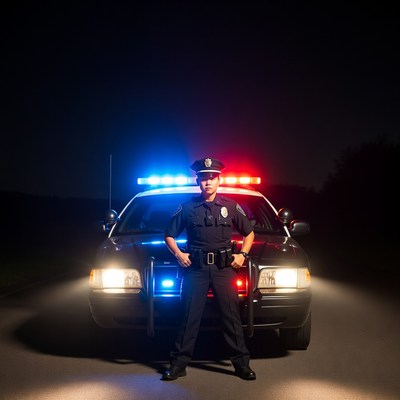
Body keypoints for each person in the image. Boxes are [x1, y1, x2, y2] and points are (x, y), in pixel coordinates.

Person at [162, 157, 256, 381]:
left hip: (224, 269)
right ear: (198, 181)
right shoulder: (187, 208)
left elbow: (249, 234)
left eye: (212, 178)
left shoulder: (231, 207)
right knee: (188, 318)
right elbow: (168, 235)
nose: (208, 182)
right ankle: (178, 364)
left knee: (231, 318)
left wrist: (242, 254)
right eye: (204, 178)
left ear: (218, 180)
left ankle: (242, 365)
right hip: (197, 269)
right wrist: (179, 254)